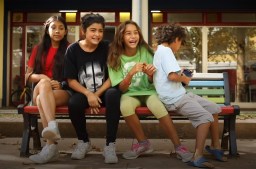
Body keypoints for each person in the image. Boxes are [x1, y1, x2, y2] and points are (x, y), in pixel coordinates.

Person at [107, 20, 193, 162]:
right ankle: (143, 143)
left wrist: (150, 75)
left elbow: (155, 79)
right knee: (125, 106)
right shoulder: (115, 56)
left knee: (158, 107)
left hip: (149, 91)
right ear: (121, 37)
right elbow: (121, 88)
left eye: (135, 33)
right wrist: (131, 73)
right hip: (130, 93)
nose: (133, 36)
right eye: (128, 33)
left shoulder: (146, 51)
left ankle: (179, 146)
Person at [153, 23, 227, 168]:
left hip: (180, 94)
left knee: (214, 108)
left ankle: (215, 146)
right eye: (180, 42)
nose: (179, 46)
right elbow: (173, 77)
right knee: (205, 118)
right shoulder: (166, 51)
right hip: (175, 99)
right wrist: (185, 79)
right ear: (176, 39)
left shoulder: (160, 51)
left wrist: (181, 75)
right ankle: (197, 156)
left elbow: (170, 75)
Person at [63, 13, 121, 164]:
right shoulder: (73, 50)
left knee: (114, 95)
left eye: (100, 30)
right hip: (83, 92)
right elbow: (70, 80)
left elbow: (113, 77)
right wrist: (89, 94)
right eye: (93, 30)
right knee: (74, 103)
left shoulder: (108, 47)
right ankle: (83, 141)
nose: (97, 34)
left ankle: (110, 145)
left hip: (105, 91)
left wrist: (96, 95)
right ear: (83, 31)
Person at [26, 15, 70, 164]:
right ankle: (53, 126)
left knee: (40, 99)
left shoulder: (70, 49)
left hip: (61, 91)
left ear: (65, 31)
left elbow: (75, 75)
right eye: (53, 27)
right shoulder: (38, 49)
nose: (57, 31)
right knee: (44, 85)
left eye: (61, 28)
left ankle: (50, 147)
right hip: (40, 87)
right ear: (47, 29)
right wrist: (42, 77)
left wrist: (62, 83)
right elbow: (28, 76)